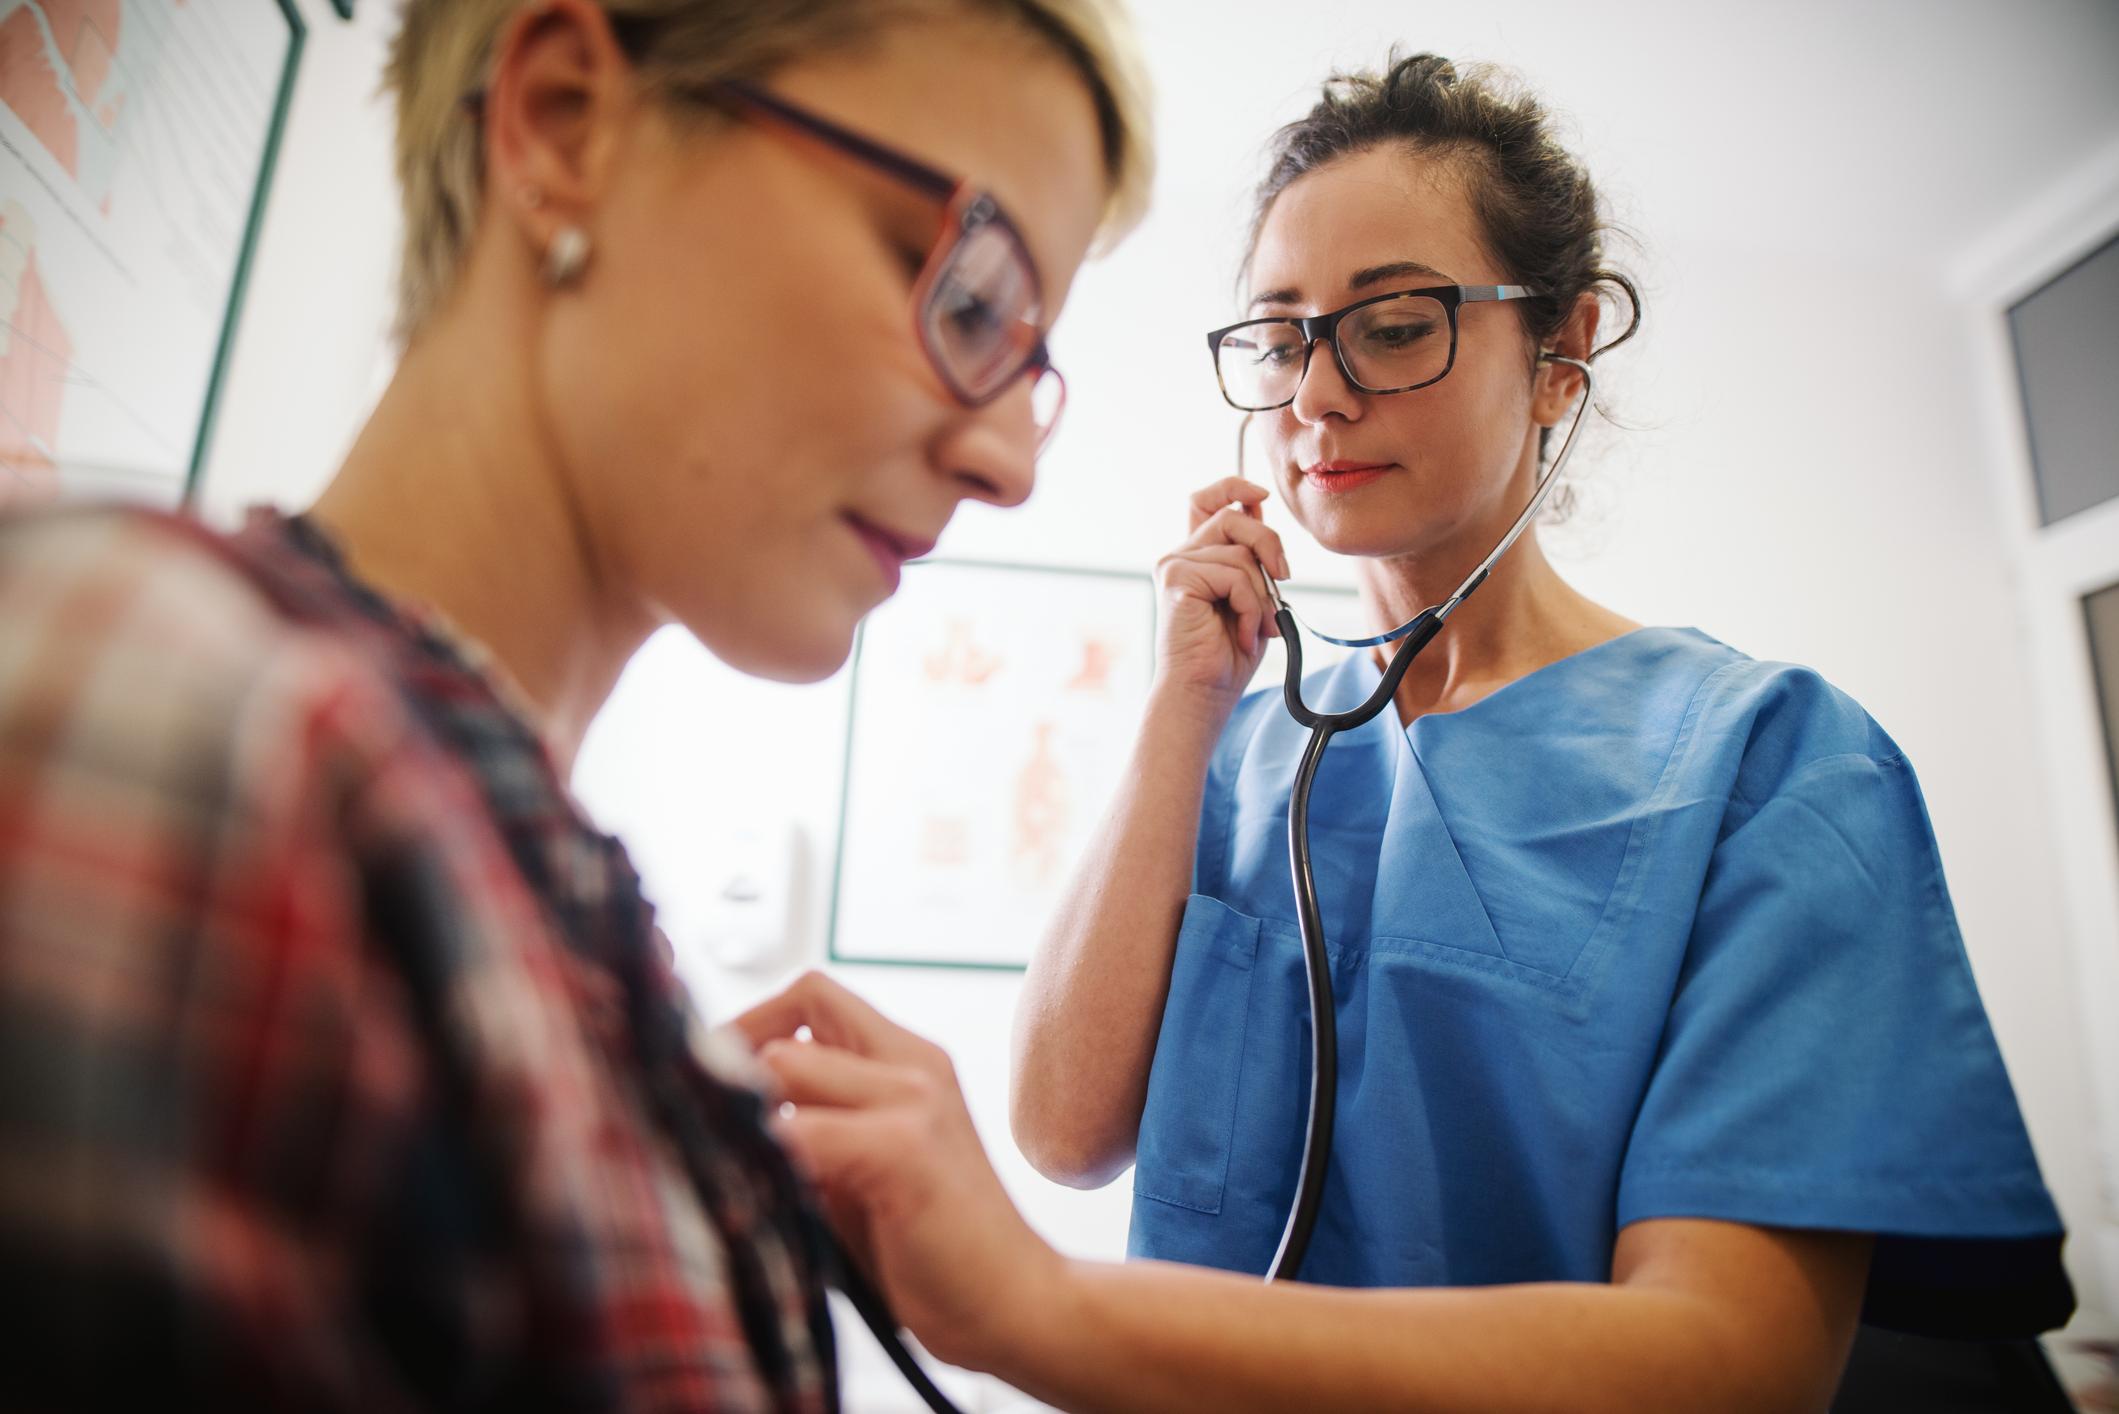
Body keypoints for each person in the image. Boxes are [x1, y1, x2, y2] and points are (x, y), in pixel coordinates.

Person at [739, 53, 2076, 1412]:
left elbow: (1733, 1365)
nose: (1315, 395)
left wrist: (1043, 1310)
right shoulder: (1236, 756)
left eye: (1390, 325)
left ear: (1560, 355)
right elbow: (1065, 1131)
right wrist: (1183, 704)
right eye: (1279, 337)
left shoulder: (1769, 761)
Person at [0, 0, 1149, 1406]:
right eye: (968, 297)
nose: (1009, 463)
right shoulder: (181, 717)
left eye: (1034, 368)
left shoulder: (532, 901)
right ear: (565, 119)